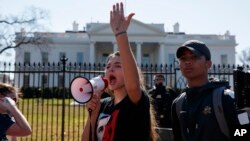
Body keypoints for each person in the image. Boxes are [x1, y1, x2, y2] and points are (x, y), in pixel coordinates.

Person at [81, 2, 158, 141]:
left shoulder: (136, 100)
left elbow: (133, 86)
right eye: (108, 66)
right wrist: (93, 115)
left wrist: (120, 34)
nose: (111, 68)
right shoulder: (103, 105)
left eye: (118, 65)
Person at [171, 40, 241, 141]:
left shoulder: (225, 98)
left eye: (194, 57)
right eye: (183, 58)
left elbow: (242, 132)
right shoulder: (178, 104)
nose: (187, 62)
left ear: (208, 64)